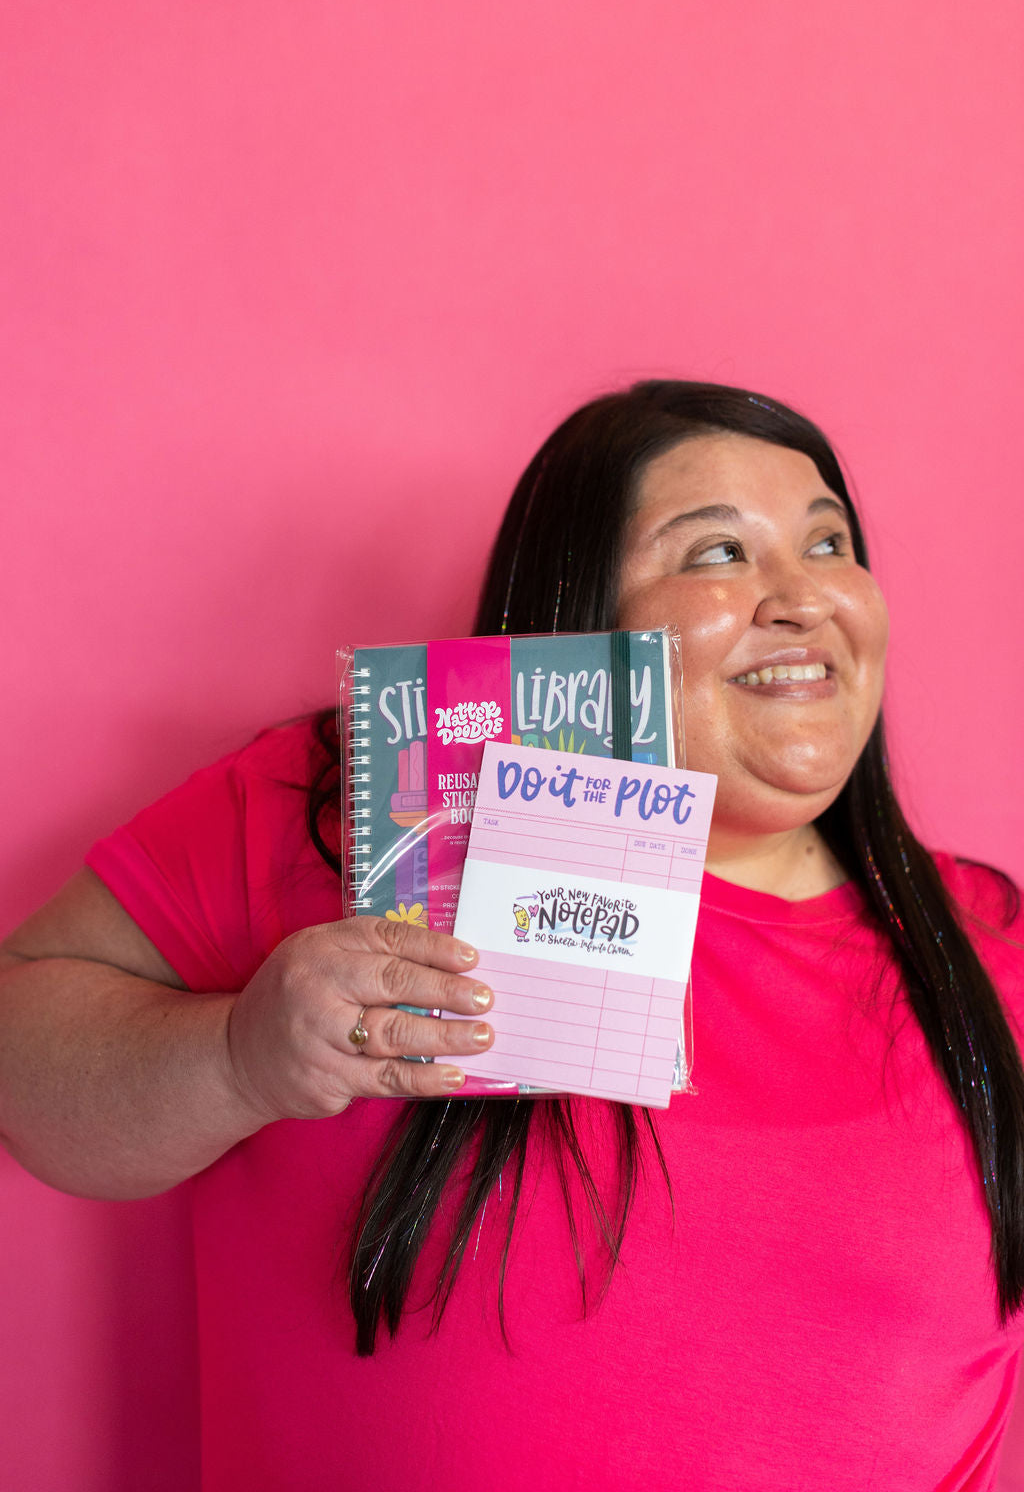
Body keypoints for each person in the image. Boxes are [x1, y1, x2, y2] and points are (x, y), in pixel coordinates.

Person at [2, 380, 1023, 1491]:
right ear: (580, 615)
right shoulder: (353, 812)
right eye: (717, 555)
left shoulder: (989, 946)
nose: (801, 597)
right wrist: (235, 1058)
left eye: (829, 543)